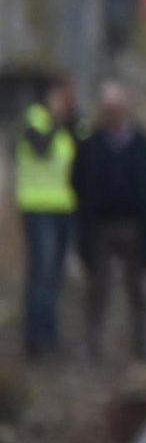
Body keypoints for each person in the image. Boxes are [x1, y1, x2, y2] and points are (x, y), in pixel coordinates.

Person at [71, 83, 146, 367]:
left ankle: (143, 343)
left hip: (135, 225)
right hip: (101, 226)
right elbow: (77, 181)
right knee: (98, 287)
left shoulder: (145, 145)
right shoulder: (90, 146)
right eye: (108, 110)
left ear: (127, 110)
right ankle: (93, 344)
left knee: (139, 288)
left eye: (117, 109)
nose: (112, 116)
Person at [15, 77, 79, 362]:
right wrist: (57, 120)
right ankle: (35, 338)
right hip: (38, 206)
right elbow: (41, 148)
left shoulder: (72, 123)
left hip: (64, 207)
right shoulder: (35, 119)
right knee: (40, 273)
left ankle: (50, 334)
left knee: (54, 274)